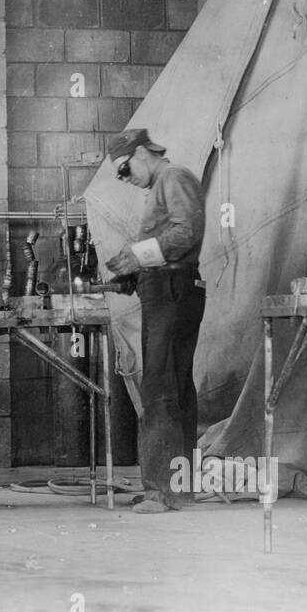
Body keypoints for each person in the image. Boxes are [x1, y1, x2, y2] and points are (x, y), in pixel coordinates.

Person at [104, 128, 206, 514]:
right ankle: (179, 487)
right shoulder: (161, 186)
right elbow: (168, 245)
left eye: (124, 168)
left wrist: (135, 256)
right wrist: (131, 276)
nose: (124, 178)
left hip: (172, 290)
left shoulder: (174, 177)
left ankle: (160, 491)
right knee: (174, 387)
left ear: (143, 153)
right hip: (168, 288)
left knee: (160, 387)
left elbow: (185, 232)